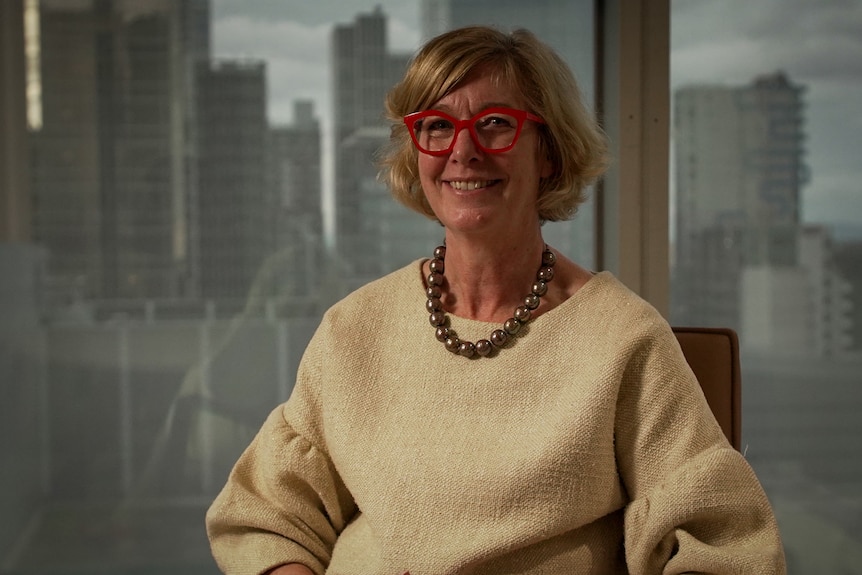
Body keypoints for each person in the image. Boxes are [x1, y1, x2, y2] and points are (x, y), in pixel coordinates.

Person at [205, 26, 786, 574]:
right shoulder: (354, 327)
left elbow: (724, 547)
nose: (464, 150)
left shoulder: (623, 338)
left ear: (549, 153)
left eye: (495, 124)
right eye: (436, 126)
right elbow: (270, 511)